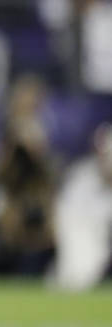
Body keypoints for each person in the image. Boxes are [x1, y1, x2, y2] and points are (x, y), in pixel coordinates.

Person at [52, 123, 112, 290]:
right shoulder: (82, 176)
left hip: (102, 241)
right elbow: (66, 214)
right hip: (80, 233)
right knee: (75, 273)